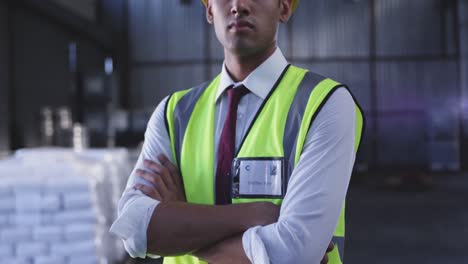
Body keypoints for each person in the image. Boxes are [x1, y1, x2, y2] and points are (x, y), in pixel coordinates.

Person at [110, 0, 364, 263]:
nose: (238, 5)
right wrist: (254, 216)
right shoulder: (172, 114)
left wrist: (179, 219)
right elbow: (133, 229)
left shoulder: (324, 104)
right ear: (209, 10)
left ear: (284, 7)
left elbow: (292, 254)